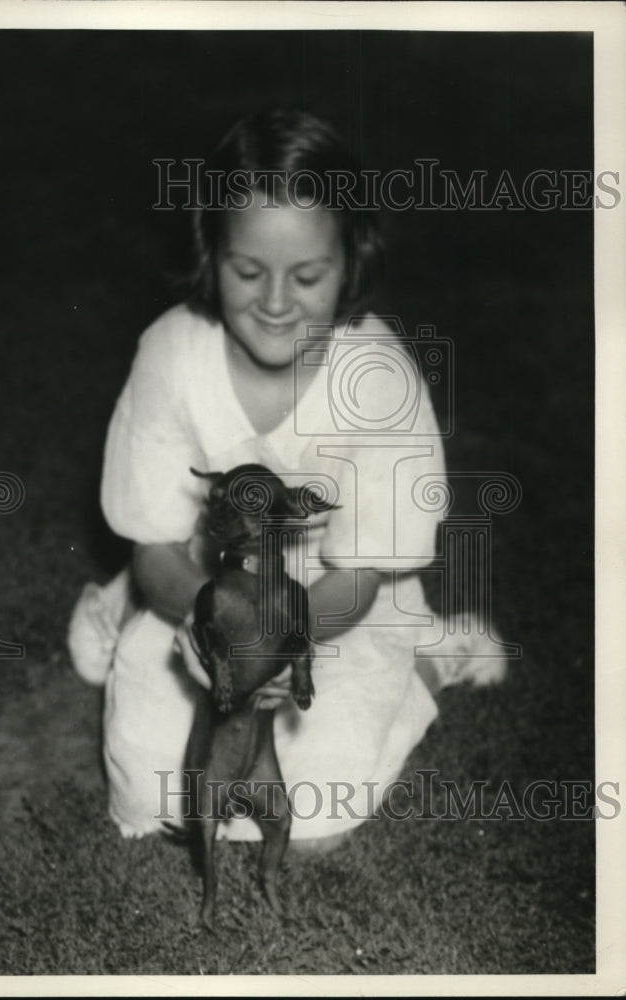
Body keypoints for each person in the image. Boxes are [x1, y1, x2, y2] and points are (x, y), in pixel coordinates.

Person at [68, 108, 507, 850]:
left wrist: (279, 647)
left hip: (341, 601)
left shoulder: (378, 377)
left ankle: (425, 661)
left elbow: (358, 574)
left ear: (350, 261)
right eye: (247, 271)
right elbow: (158, 549)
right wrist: (215, 637)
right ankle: (127, 610)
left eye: (306, 275)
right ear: (210, 255)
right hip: (203, 588)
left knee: (313, 820)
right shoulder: (171, 352)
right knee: (152, 797)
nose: (274, 302)